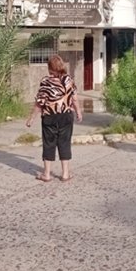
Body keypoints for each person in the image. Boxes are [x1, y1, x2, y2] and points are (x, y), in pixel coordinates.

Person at [26, 54, 83, 182]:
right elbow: (74, 98)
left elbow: (39, 102)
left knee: (48, 144)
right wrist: (78, 112)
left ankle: (46, 174)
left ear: (49, 68)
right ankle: (65, 174)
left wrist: (31, 118)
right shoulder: (68, 80)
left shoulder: (45, 82)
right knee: (64, 143)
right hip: (66, 116)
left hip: (49, 117)